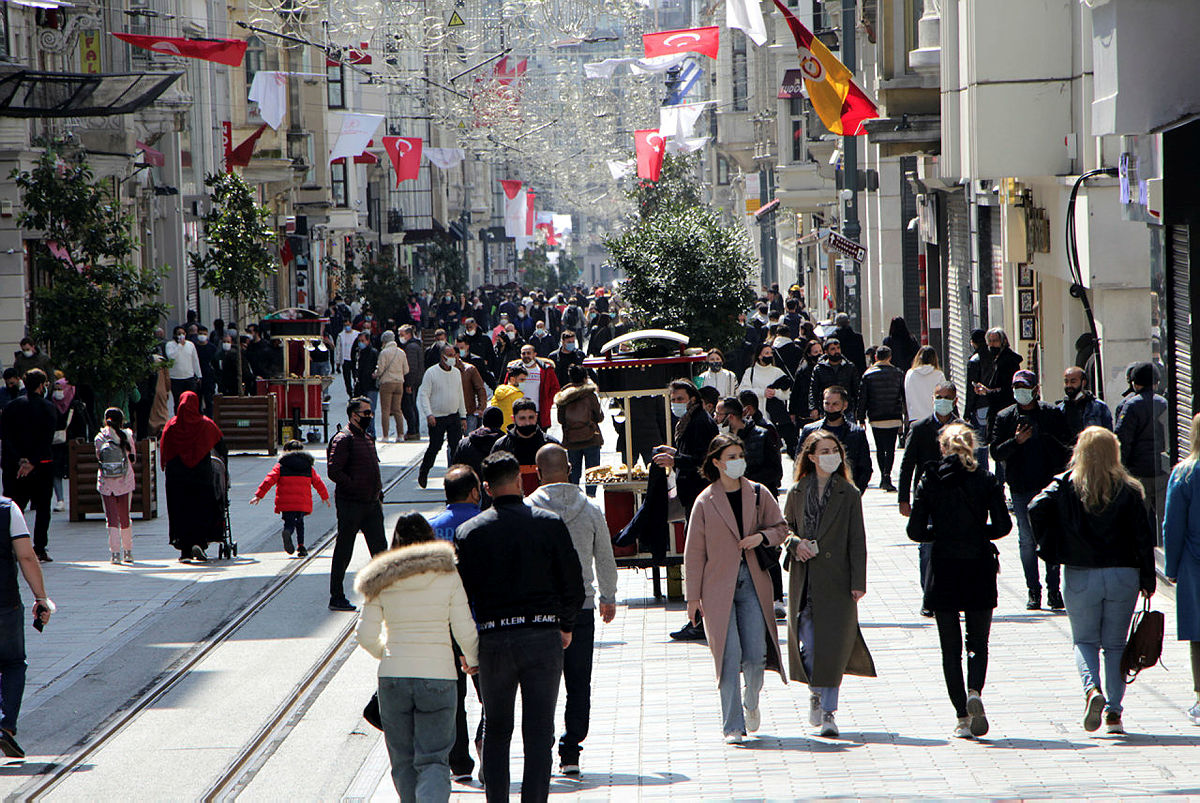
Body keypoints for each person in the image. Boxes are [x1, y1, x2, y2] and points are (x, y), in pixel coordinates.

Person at [456, 451, 584, 803]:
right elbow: (574, 585)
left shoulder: (470, 533)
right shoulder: (549, 524)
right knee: (539, 732)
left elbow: (460, 598)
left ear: (486, 488)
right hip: (542, 636)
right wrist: (566, 625)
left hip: (494, 640)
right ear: (520, 481)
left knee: (496, 730)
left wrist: (464, 649)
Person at [1029, 427, 1157, 735]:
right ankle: (1114, 714)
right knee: (1115, 645)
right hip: (1123, 573)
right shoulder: (1129, 489)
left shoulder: (1066, 484)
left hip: (1081, 572)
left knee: (1085, 641)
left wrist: (1053, 547)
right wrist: (1148, 577)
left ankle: (1092, 690)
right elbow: (1144, 537)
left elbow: (1035, 507)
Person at [354, 513, 479, 802]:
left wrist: (388, 653)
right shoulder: (448, 574)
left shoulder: (380, 577)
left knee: (403, 761)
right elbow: (464, 628)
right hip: (439, 676)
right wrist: (472, 659)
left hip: (393, 678)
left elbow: (365, 635)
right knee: (434, 759)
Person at [907, 423, 1011, 738]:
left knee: (950, 647)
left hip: (944, 566)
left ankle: (962, 717)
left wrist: (940, 533)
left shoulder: (930, 479)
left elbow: (914, 531)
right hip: (978, 563)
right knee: (978, 642)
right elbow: (1003, 525)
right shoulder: (986, 479)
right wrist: (978, 532)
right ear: (972, 447)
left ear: (942, 447)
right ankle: (975, 690)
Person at [684, 433, 788, 743]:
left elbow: (781, 528)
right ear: (716, 462)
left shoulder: (757, 493)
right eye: (730, 457)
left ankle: (751, 700)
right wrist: (692, 598)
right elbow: (694, 552)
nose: (737, 462)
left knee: (755, 655)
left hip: (753, 582)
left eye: (740, 456)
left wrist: (761, 537)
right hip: (717, 587)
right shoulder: (705, 501)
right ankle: (732, 725)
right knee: (727, 657)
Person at [526, 445, 618, 773]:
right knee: (579, 681)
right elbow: (605, 556)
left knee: (540, 684)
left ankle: (542, 744)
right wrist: (608, 596)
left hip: (539, 611)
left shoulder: (527, 509)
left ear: (538, 473)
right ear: (569, 468)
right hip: (581, 607)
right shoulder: (590, 508)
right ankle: (571, 751)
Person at [783, 430, 876, 738]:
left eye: (834, 451)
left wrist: (858, 582)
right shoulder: (797, 491)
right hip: (806, 580)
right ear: (811, 457)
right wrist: (795, 544)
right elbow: (785, 528)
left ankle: (828, 712)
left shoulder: (849, 493)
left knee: (834, 648)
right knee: (810, 645)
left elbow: (858, 540)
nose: (831, 456)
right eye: (824, 451)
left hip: (838, 580)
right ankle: (815, 689)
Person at [990, 369, 1071, 611]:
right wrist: (1016, 441)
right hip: (1021, 487)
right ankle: (1033, 590)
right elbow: (996, 452)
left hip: (1049, 487)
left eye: (1025, 388)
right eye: (1016, 388)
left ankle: (1054, 590)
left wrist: (1044, 437)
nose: (1020, 392)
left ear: (1036, 390)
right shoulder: (1005, 417)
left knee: (1050, 537)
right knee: (1027, 540)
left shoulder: (1051, 413)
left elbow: (1067, 446)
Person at [898, 382, 963, 610]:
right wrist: (903, 498)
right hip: (927, 497)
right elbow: (907, 465)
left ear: (955, 400)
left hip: (956, 498)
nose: (942, 401)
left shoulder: (963, 429)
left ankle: (952, 594)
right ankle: (929, 597)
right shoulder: (920, 428)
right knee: (927, 548)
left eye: (947, 397)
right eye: (938, 397)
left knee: (955, 548)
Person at [0, 493, 52, 759]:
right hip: (4, 602)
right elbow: (27, 557)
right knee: (12, 663)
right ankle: (5, 725)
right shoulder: (8, 509)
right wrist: (41, 598)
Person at [327, 397, 387, 611]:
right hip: (351, 504)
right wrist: (354, 486)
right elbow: (334, 471)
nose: (369, 416)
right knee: (344, 550)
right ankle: (336, 596)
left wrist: (378, 491)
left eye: (370, 412)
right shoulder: (343, 439)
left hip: (371, 503)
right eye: (366, 413)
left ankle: (386, 595)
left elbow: (373, 468)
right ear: (354, 415)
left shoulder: (367, 438)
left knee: (381, 551)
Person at [160, 391, 226, 563]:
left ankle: (185, 551)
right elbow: (221, 445)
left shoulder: (171, 426)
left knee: (180, 511)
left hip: (177, 479)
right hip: (201, 477)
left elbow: (164, 449)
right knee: (201, 508)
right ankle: (200, 542)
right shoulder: (206, 425)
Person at [1164, 413, 1200, 725]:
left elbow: (1172, 525)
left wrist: (1171, 567)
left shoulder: (1184, 473)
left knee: (1197, 631)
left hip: (1193, 561)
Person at [1, 370, 58, 563]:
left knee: (14, 507)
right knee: (43, 508)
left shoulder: (10, 407)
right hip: (41, 466)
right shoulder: (48, 407)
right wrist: (32, 461)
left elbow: (6, 437)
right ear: (41, 385)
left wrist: (20, 460)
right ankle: (39, 548)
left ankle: (10, 547)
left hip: (14, 467)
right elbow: (47, 438)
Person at [250, 439, 331, 557]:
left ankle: (288, 531)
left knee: (289, 522)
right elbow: (318, 482)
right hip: (302, 501)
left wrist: (259, 495)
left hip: (286, 502)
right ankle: (301, 547)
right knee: (300, 523)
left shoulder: (281, 466)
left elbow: (269, 480)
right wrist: (325, 496)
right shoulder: (308, 467)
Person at [1115, 361, 1169, 527]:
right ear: (1156, 382)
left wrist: (1121, 470)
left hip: (1138, 473)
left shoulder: (1131, 405)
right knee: (1164, 519)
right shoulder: (1164, 403)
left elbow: (1122, 439)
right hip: (1162, 471)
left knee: (1138, 521)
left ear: (1135, 384)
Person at [799, 387, 872, 492]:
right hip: (815, 490)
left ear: (844, 405)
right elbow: (800, 462)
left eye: (835, 404)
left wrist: (855, 492)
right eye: (827, 404)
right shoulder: (810, 431)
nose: (830, 408)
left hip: (846, 491)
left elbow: (865, 467)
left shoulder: (856, 433)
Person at [416, 345, 467, 489]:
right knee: (435, 446)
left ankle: (456, 477)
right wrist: (429, 414)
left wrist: (463, 416)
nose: (452, 358)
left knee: (456, 447)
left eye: (454, 355)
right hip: (437, 418)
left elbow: (460, 395)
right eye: (449, 355)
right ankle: (424, 471)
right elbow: (424, 394)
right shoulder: (431, 373)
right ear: (442, 356)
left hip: (453, 416)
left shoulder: (456, 373)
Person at [857, 345, 906, 492]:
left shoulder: (868, 375)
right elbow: (903, 396)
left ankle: (883, 477)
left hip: (876, 416)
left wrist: (861, 418)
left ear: (876, 357)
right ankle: (887, 476)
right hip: (894, 415)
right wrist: (905, 416)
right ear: (890, 357)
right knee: (890, 448)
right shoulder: (898, 373)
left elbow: (863, 398)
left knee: (880, 448)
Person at [95, 407, 137, 564]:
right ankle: (128, 551)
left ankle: (115, 554)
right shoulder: (127, 436)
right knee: (125, 517)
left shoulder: (100, 437)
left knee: (111, 518)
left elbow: (99, 456)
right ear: (122, 421)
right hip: (124, 481)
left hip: (106, 482)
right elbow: (132, 458)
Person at [555, 365, 603, 494]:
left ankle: (574, 496)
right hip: (591, 438)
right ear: (585, 378)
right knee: (592, 472)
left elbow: (560, 420)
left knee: (574, 472)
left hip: (572, 440)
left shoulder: (564, 396)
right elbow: (599, 417)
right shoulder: (590, 395)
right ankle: (591, 496)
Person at [491, 399, 560, 475]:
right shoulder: (502, 446)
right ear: (513, 419)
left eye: (531, 417)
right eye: (522, 418)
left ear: (536, 417)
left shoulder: (551, 445)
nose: (527, 423)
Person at [49, 376, 88, 512]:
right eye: (56, 389)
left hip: (72, 444)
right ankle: (60, 500)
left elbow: (81, 425)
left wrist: (81, 442)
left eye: (60, 389)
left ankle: (76, 499)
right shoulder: (50, 403)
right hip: (56, 444)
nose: (58, 392)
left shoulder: (75, 404)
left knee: (74, 471)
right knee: (56, 472)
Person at [504, 345, 561, 432]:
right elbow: (506, 386)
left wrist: (547, 402)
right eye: (523, 353)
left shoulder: (545, 369)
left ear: (534, 354)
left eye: (529, 353)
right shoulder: (513, 370)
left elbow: (555, 388)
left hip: (539, 413)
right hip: (519, 412)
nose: (526, 356)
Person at [451, 408, 506, 496]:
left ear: (483, 421)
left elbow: (456, 468)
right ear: (501, 422)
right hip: (498, 492)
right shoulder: (506, 443)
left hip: (470, 492)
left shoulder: (464, 443)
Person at [1058, 366, 1113, 443]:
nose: (1069, 385)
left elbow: (1108, 437)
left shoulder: (1099, 407)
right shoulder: (1059, 409)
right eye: (1066, 382)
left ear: (1083, 382)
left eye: (1073, 382)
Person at [374, 330, 410, 442]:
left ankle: (385, 436)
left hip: (387, 383)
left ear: (384, 341)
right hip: (399, 383)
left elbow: (380, 370)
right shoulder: (401, 352)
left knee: (385, 410)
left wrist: (375, 374)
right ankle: (400, 435)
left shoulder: (384, 353)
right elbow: (406, 370)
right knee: (397, 410)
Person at [809, 338, 860, 415]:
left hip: (846, 410)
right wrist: (813, 408)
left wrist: (858, 409)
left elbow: (856, 389)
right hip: (827, 409)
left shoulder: (849, 367)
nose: (836, 351)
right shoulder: (819, 369)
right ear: (826, 352)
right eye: (833, 349)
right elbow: (813, 390)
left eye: (838, 348)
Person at [904, 346, 947, 426]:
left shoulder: (910, 374)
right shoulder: (939, 375)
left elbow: (907, 396)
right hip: (934, 418)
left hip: (915, 417)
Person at [452, 343, 489, 435]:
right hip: (451, 414)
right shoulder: (444, 371)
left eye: (451, 355)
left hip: (469, 413)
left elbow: (480, 389)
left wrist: (481, 408)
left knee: (469, 439)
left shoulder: (470, 370)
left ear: (457, 355)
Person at [166, 325, 202, 411]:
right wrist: (179, 346)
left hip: (189, 377)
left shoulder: (190, 345)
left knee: (191, 401)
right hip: (176, 378)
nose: (181, 336)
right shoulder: (170, 345)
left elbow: (195, 360)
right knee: (178, 401)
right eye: (179, 334)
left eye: (183, 333)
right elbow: (171, 357)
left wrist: (199, 375)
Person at [399, 326, 424, 440]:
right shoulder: (413, 346)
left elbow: (412, 367)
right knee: (411, 405)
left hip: (411, 382)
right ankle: (414, 430)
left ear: (409, 334)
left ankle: (412, 431)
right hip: (415, 381)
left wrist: (409, 383)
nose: (400, 337)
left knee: (408, 406)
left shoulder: (411, 347)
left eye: (402, 334)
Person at [353, 331, 380, 436]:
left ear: (368, 341)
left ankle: (371, 432)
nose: (361, 343)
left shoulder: (373, 352)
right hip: (361, 386)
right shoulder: (359, 353)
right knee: (362, 411)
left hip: (371, 386)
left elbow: (377, 367)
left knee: (370, 410)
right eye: (359, 341)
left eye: (363, 341)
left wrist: (375, 375)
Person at [488, 365, 527, 431]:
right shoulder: (518, 395)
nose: (524, 382)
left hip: (496, 430)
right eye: (522, 380)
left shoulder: (498, 391)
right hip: (510, 431)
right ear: (512, 379)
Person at [831, 313, 866, 377]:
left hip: (837, 372)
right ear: (848, 322)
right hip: (856, 372)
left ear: (837, 324)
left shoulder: (832, 338)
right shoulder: (858, 337)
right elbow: (862, 358)